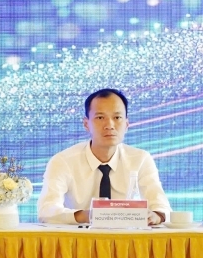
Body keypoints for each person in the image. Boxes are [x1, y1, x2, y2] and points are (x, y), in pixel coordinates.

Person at [36, 88, 171, 225]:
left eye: (117, 118)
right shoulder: (63, 161)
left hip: (127, 236)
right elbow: (46, 211)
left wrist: (155, 216)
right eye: (100, 117)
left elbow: (163, 208)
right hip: (80, 237)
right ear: (86, 124)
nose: (109, 125)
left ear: (126, 124)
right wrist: (93, 215)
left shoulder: (141, 159)